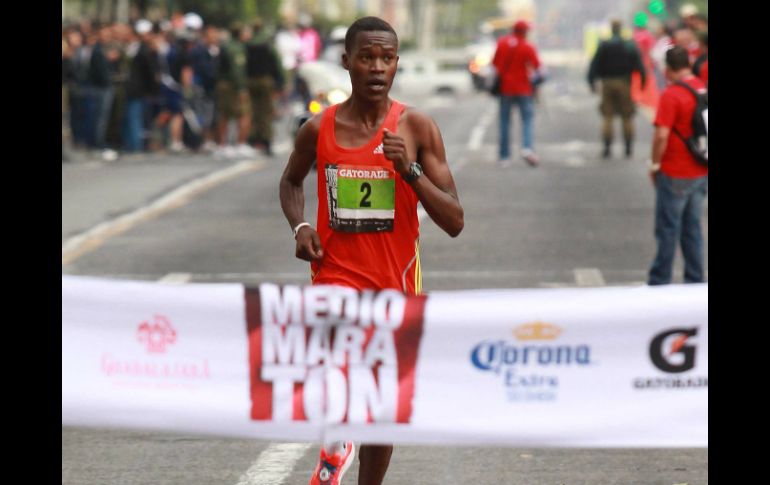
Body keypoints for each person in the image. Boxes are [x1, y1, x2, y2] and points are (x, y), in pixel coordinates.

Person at [278, 16, 464, 485]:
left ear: (397, 63)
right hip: (335, 275)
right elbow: (290, 181)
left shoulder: (417, 127)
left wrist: (412, 173)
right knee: (338, 373)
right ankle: (336, 440)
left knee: (383, 406)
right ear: (347, 63)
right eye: (366, 57)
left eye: (386, 58)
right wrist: (301, 225)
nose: (377, 67)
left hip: (396, 283)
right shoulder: (318, 129)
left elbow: (455, 221)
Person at [646, 46, 708, 286]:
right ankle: (695, 279)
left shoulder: (671, 95)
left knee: (668, 228)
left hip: (676, 170)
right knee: (692, 228)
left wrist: (654, 164)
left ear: (668, 68)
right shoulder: (702, 88)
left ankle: (659, 280)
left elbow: (661, 135)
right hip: (701, 169)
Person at [588, 19, 646, 159]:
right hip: (624, 82)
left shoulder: (604, 45)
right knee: (627, 116)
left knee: (607, 116)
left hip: (607, 82)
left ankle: (607, 146)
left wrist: (592, 82)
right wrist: (643, 82)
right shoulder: (630, 45)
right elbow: (640, 65)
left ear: (611, 29)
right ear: (621, 29)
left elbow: (594, 65)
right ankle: (628, 147)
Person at [492, 19, 543, 167]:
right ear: (525, 31)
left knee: (504, 122)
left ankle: (504, 157)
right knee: (527, 119)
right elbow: (538, 68)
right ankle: (527, 148)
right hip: (523, 89)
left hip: (505, 89)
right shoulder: (527, 46)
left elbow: (495, 65)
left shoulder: (501, 43)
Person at [246, 18, 284, 156]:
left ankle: (253, 139)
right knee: (266, 111)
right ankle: (266, 141)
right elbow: (277, 64)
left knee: (253, 111)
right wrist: (281, 82)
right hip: (265, 81)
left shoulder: (247, 44)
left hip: (250, 81)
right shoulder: (268, 43)